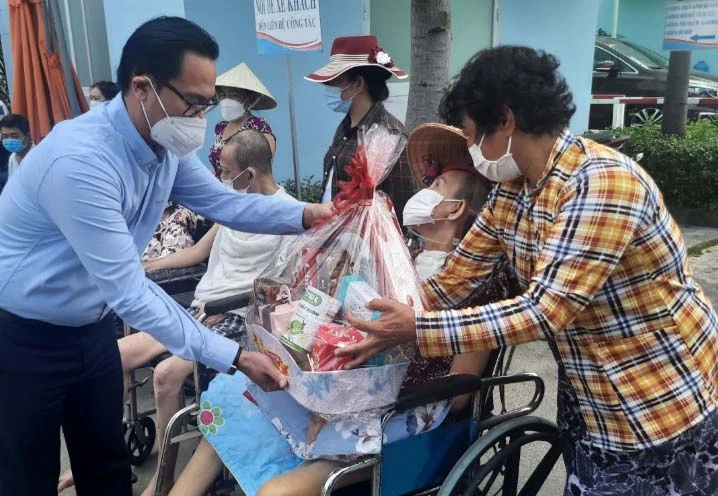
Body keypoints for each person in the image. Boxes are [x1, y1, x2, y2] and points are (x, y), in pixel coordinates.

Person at [339, 46, 718, 495]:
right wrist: (375, 313)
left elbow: (545, 312)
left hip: (658, 396)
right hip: (589, 393)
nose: (473, 151)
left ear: (505, 119)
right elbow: (458, 277)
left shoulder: (601, 183)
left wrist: (418, 328)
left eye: (472, 135)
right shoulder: (513, 191)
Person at [0, 16, 329, 496]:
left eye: (207, 103)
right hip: (26, 336)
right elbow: (130, 292)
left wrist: (309, 215)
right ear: (142, 87)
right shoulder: (80, 162)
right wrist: (235, 356)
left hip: (91, 327)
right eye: (192, 102)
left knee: (107, 466)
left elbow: (227, 204)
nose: (201, 118)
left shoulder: (163, 146)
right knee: (26, 475)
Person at [167, 123, 519, 496]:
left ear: (456, 208)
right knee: (234, 403)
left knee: (276, 492)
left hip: (400, 409)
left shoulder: (481, 289)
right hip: (351, 387)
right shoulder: (402, 260)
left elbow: (461, 394)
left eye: (437, 185)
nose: (425, 190)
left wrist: (354, 404)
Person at [305, 35, 416, 226]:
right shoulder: (345, 126)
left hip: (365, 241)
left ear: (357, 84)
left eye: (334, 83)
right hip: (331, 235)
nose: (329, 90)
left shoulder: (389, 135)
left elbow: (401, 207)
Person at [208, 63, 276, 178]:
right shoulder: (220, 128)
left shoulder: (259, 127)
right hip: (218, 187)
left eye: (234, 95)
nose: (227, 101)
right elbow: (216, 168)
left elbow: (263, 171)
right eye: (223, 95)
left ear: (250, 100)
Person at [1, 113, 35, 177]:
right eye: (5, 136)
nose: (9, 140)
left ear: (28, 136)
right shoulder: (12, 158)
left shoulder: (37, 157)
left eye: (14, 136)